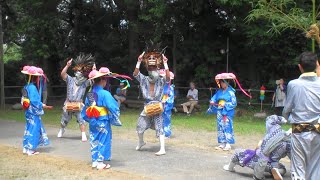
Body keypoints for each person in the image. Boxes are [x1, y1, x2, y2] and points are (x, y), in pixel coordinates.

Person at [283, 51, 320, 180]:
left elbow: (287, 109)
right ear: (316, 65)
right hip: (317, 130)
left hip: (299, 130)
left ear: (300, 67)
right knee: (315, 167)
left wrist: (285, 119)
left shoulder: (294, 84)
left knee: (299, 168)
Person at [223, 115, 291, 180]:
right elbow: (293, 158)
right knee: (283, 169)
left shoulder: (272, 131)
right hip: (271, 164)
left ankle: (230, 167)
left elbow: (270, 119)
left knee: (237, 152)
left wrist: (281, 119)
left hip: (255, 158)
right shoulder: (288, 142)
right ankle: (274, 170)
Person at [133, 42, 170, 156]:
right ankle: (141, 142)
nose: (152, 69)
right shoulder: (144, 79)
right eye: (150, 67)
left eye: (154, 67)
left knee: (159, 126)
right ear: (147, 69)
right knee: (140, 125)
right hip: (147, 105)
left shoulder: (161, 79)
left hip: (158, 105)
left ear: (158, 68)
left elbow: (168, 78)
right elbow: (135, 74)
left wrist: (165, 63)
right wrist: (138, 62)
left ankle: (162, 148)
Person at [81, 67, 121, 170]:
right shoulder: (105, 93)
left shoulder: (90, 93)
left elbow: (86, 108)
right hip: (102, 119)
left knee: (94, 139)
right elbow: (113, 107)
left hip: (93, 120)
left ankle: (94, 161)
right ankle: (100, 162)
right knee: (103, 139)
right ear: (103, 80)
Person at [208, 73, 251, 151]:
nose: (221, 84)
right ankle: (222, 143)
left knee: (227, 125)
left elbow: (234, 103)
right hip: (219, 110)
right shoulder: (219, 91)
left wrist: (225, 104)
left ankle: (228, 143)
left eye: (222, 82)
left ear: (226, 83)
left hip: (227, 111)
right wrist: (212, 101)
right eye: (220, 82)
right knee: (220, 126)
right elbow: (214, 98)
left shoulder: (231, 92)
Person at [57, 53, 95, 142]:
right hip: (68, 103)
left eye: (81, 72)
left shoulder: (85, 82)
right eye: (78, 72)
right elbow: (63, 74)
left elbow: (93, 80)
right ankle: (62, 129)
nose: (79, 73)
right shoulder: (70, 79)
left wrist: (94, 70)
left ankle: (83, 134)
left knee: (81, 119)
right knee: (64, 119)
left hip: (79, 104)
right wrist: (67, 65)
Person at [21, 65, 51, 155]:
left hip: (28, 111)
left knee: (28, 128)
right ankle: (30, 149)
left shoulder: (26, 86)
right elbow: (34, 101)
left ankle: (26, 147)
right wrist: (42, 105)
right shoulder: (32, 88)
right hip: (33, 112)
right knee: (34, 129)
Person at [160, 69, 175, 138]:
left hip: (167, 105)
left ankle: (167, 133)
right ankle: (161, 132)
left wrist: (166, 100)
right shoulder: (162, 86)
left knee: (167, 119)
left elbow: (171, 97)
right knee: (161, 119)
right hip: (161, 104)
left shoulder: (170, 87)